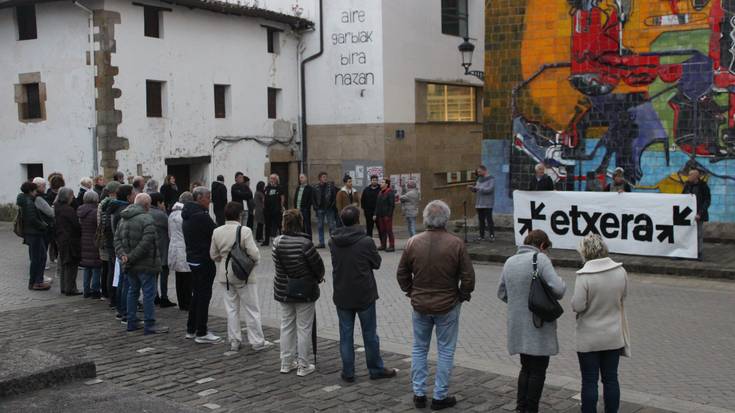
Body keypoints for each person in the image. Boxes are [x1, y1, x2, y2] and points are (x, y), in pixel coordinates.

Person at [397, 200, 475, 410]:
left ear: (425, 219)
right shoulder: (456, 243)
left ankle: (419, 393)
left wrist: (411, 291)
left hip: (421, 303)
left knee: (419, 348)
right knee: (446, 350)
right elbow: (468, 277)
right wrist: (461, 295)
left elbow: (402, 273)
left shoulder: (413, 242)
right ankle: (439, 396)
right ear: (446, 220)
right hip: (447, 304)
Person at [497, 229, 566, 413]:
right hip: (538, 324)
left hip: (518, 326)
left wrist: (519, 305)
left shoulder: (509, 261)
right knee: (538, 370)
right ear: (542, 245)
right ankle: (531, 409)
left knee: (526, 367)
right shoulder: (540, 259)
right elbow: (558, 290)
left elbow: (501, 292)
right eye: (546, 249)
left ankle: (521, 407)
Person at [329, 206, 396, 382]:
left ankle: (348, 372)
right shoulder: (366, 241)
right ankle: (375, 369)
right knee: (370, 334)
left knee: (345, 335)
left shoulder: (333, 241)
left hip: (342, 292)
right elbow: (377, 263)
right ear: (358, 220)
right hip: (364, 293)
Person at [572, 234, 631, 413]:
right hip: (613, 335)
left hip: (589, 338)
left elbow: (578, 305)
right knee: (611, 378)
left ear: (584, 251)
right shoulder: (620, 271)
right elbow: (624, 296)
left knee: (589, 380)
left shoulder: (584, 276)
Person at [210, 201, 272, 352]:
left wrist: (224, 259)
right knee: (252, 309)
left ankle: (234, 341)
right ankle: (257, 341)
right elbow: (255, 254)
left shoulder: (217, 231)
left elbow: (213, 255)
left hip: (225, 275)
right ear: (240, 215)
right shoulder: (244, 231)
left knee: (231, 310)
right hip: (244, 275)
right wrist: (252, 264)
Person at [273, 209, 325, 377]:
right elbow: (318, 266)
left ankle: (286, 363)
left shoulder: (277, 242)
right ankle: (303, 365)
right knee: (304, 328)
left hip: (284, 289)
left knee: (286, 325)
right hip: (304, 290)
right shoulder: (305, 243)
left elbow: (278, 267)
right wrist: (318, 277)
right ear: (300, 222)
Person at [115, 193, 169, 335]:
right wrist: (130, 257)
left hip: (130, 263)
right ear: (146, 205)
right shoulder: (147, 219)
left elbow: (117, 240)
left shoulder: (123, 218)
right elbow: (146, 243)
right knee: (148, 294)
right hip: (145, 263)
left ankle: (131, 321)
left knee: (132, 291)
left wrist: (124, 256)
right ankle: (149, 324)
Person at [182, 187, 221, 344]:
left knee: (196, 294)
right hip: (203, 259)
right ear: (198, 198)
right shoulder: (201, 216)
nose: (209, 200)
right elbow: (216, 234)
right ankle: (201, 331)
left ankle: (191, 329)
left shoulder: (188, 214)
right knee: (204, 295)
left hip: (192, 258)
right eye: (207, 197)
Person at [16, 182, 51, 290]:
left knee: (40, 257)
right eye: (35, 190)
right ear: (31, 191)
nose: (36, 192)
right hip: (34, 233)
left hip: (33, 233)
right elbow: (32, 219)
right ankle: (36, 282)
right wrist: (43, 225)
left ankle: (37, 281)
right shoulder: (29, 202)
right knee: (38, 258)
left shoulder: (26, 200)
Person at [110, 185, 135, 321]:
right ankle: (125, 310)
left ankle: (121, 308)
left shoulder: (116, 209)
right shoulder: (124, 211)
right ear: (127, 196)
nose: (134, 196)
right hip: (124, 250)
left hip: (120, 249)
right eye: (132, 194)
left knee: (122, 280)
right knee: (126, 281)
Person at [54, 187, 82, 296]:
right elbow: (76, 225)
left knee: (64, 263)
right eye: (72, 196)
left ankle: (64, 287)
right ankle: (71, 288)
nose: (73, 198)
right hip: (70, 239)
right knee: (71, 264)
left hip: (61, 238)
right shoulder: (68, 210)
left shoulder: (57, 207)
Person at [149, 192, 175, 308]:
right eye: (162, 202)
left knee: (154, 275)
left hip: (152, 248)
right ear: (159, 202)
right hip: (163, 247)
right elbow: (169, 228)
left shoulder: (147, 212)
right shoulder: (161, 215)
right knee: (164, 274)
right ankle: (164, 297)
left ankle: (155, 296)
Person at [168, 192, 193, 311]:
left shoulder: (172, 214)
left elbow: (170, 233)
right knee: (187, 278)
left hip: (174, 247)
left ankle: (182, 302)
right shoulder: (184, 215)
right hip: (183, 248)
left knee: (179, 278)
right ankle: (187, 302)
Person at [99, 181, 121, 304]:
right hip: (112, 240)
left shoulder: (105, 203)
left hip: (109, 239)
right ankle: (113, 296)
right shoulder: (111, 204)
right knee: (113, 270)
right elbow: (108, 225)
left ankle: (111, 296)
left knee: (111, 269)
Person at [78, 190, 102, 299]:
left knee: (87, 267)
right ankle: (95, 290)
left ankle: (86, 290)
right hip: (94, 240)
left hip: (84, 240)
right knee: (96, 266)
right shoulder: (95, 211)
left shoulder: (80, 210)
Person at [682, 168, 710, 260]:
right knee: (686, 233)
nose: (688, 176)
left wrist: (700, 213)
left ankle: (699, 253)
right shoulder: (687, 185)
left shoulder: (703, 186)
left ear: (696, 176)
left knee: (698, 234)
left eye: (690, 175)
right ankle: (685, 252)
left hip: (699, 214)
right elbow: (681, 197)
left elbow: (707, 201)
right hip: (687, 214)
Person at [469, 165, 495, 241]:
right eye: (478, 172)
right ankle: (481, 236)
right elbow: (476, 190)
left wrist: (478, 188)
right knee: (481, 220)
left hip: (487, 203)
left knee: (489, 220)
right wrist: (472, 189)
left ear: (485, 170)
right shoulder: (479, 179)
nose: (478, 173)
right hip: (479, 203)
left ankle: (492, 235)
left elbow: (489, 190)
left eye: (480, 171)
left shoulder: (491, 179)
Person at [313, 172, 337, 248]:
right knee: (320, 226)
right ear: (320, 178)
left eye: (326, 177)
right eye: (323, 177)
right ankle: (321, 243)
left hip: (329, 209)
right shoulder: (315, 187)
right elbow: (313, 199)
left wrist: (332, 205)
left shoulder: (330, 186)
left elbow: (334, 197)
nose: (325, 178)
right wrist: (316, 207)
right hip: (320, 209)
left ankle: (333, 242)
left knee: (331, 226)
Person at [263, 174, 285, 246]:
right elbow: (264, 197)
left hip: (276, 209)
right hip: (267, 209)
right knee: (267, 225)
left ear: (276, 180)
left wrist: (281, 207)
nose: (271, 180)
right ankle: (266, 241)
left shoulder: (279, 188)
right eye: (270, 178)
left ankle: (282, 240)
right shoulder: (267, 188)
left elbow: (282, 198)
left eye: (273, 178)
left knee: (279, 225)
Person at [375, 179, 395, 252]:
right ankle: (383, 245)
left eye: (383, 182)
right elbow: (377, 205)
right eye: (381, 182)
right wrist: (376, 214)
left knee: (389, 231)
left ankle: (391, 246)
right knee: (382, 231)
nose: (381, 183)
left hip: (387, 215)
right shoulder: (380, 192)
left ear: (387, 184)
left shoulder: (390, 192)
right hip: (380, 215)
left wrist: (389, 215)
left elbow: (392, 205)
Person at [293, 174, 315, 239]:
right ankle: (301, 238)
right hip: (297, 209)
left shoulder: (309, 188)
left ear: (306, 179)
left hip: (305, 209)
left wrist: (307, 206)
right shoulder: (298, 187)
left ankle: (309, 239)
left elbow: (311, 199)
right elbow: (295, 197)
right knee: (299, 224)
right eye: (300, 178)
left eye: (302, 177)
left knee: (307, 225)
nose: (300, 179)